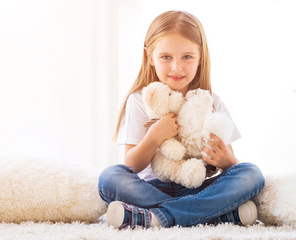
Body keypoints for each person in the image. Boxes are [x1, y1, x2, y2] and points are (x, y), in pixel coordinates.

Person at [98, 10, 265, 229]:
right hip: (149, 189)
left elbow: (231, 165)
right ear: (150, 57)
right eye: (166, 57)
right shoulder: (140, 100)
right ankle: (211, 216)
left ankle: (157, 217)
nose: (176, 67)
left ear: (200, 57)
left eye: (187, 57)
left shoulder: (212, 102)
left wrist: (227, 162)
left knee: (251, 174)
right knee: (109, 177)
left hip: (199, 188)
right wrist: (154, 137)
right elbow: (131, 165)